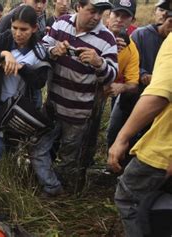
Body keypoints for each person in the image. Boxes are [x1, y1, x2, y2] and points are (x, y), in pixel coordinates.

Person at [32, 0, 118, 195]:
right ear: (79, 7)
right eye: (92, 11)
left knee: (68, 157)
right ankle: (51, 186)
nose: (96, 17)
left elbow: (112, 74)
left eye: (101, 12)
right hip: (52, 106)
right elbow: (41, 48)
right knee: (39, 148)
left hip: (78, 113)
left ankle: (62, 194)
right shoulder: (61, 23)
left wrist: (99, 63)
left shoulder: (107, 38)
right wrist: (54, 51)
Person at [108, 29, 172, 237]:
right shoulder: (144, 35)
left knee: (128, 198)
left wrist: (122, 138)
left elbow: (158, 96)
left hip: (163, 149)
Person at [0, 5, 51, 162]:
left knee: (12, 148)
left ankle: (6, 179)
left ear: (34, 28)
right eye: (14, 27)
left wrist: (21, 68)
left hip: (16, 109)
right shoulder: (4, 39)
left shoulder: (38, 51)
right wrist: (4, 54)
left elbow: (39, 82)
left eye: (23, 29)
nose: (18, 33)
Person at [104, 0, 139, 165]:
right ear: (108, 16)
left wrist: (121, 86)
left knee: (98, 130)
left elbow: (133, 83)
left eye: (125, 16)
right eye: (116, 14)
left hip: (105, 94)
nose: (119, 19)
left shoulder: (132, 50)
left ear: (132, 21)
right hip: (77, 91)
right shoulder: (93, 33)